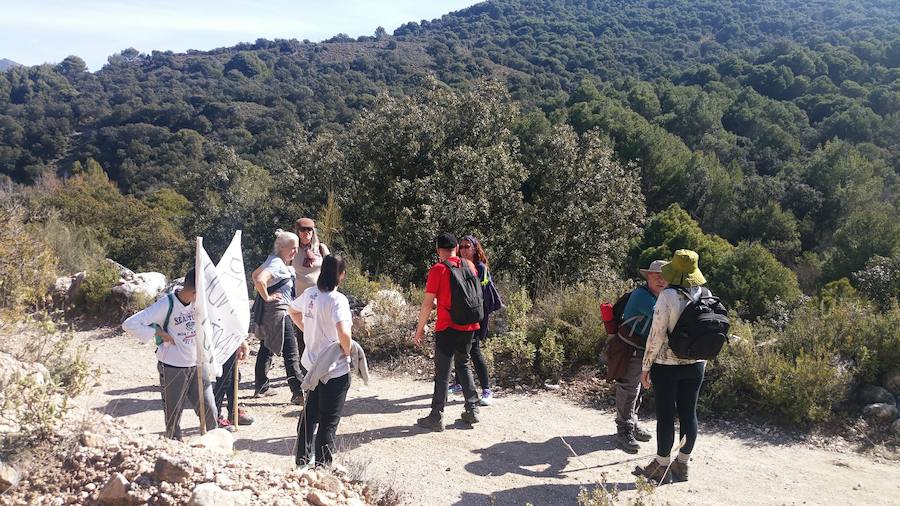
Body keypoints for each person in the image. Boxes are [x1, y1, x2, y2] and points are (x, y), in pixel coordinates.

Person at [636, 250, 709, 483]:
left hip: (666, 365)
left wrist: (645, 367)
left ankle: (661, 465)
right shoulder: (705, 293)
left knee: (666, 414)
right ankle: (682, 465)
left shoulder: (667, 296)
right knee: (689, 414)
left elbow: (656, 335)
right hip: (696, 364)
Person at [122, 268, 218, 440]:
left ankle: (216, 448)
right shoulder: (167, 304)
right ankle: (175, 452)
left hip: (197, 364)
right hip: (173, 367)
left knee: (210, 409)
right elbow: (130, 324)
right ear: (195, 290)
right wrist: (159, 333)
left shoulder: (198, 304)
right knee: (173, 417)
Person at [288, 254, 353, 467]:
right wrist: (348, 351)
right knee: (328, 420)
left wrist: (308, 329)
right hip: (333, 368)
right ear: (341, 275)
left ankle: (302, 460)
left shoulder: (309, 294)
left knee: (310, 414)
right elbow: (343, 332)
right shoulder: (337, 299)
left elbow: (292, 310)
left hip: (311, 364)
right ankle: (323, 467)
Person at [413, 233, 481, 432]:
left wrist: (419, 330)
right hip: (469, 326)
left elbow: (427, 304)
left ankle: (436, 417)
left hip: (447, 327)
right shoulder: (470, 266)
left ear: (438, 250)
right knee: (464, 364)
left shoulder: (438, 269)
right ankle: (473, 408)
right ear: (457, 248)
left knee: (442, 373)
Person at [612, 260, 668, 453]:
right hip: (630, 348)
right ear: (648, 277)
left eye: (665, 276)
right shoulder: (642, 296)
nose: (661, 280)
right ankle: (623, 430)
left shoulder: (660, 297)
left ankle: (632, 423)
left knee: (640, 388)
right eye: (656, 275)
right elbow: (662, 319)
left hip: (644, 349)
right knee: (628, 388)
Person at [252, 229, 305, 405]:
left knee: (266, 348)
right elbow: (259, 279)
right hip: (280, 313)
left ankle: (261, 386)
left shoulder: (272, 260)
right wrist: (267, 296)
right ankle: (298, 392)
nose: (295, 252)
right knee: (291, 352)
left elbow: (254, 275)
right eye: (293, 248)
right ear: (282, 247)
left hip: (270, 314)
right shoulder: (276, 264)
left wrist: (266, 297)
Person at [448, 235, 499, 406]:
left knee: (475, 350)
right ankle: (459, 384)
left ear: (475, 248)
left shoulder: (480, 267)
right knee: (460, 348)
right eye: (461, 247)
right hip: (462, 314)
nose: (463, 249)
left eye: (466, 246)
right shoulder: (459, 265)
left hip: (477, 315)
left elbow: (479, 293)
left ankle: (486, 390)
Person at [212, 342, 254, 431]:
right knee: (224, 379)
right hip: (220, 340)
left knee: (234, 376)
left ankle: (233, 412)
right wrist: (241, 342)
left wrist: (238, 343)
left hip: (231, 340)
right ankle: (214, 418)